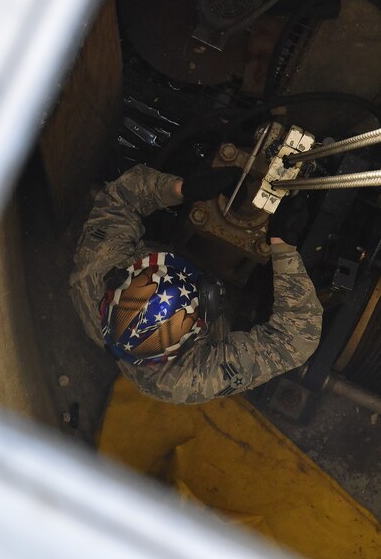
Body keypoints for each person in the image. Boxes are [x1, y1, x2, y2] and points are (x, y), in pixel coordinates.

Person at [69, 163, 323, 405]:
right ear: (191, 338)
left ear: (123, 277)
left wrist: (182, 189)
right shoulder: (188, 378)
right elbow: (297, 338)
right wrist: (284, 247)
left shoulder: (95, 273)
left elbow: (121, 198)